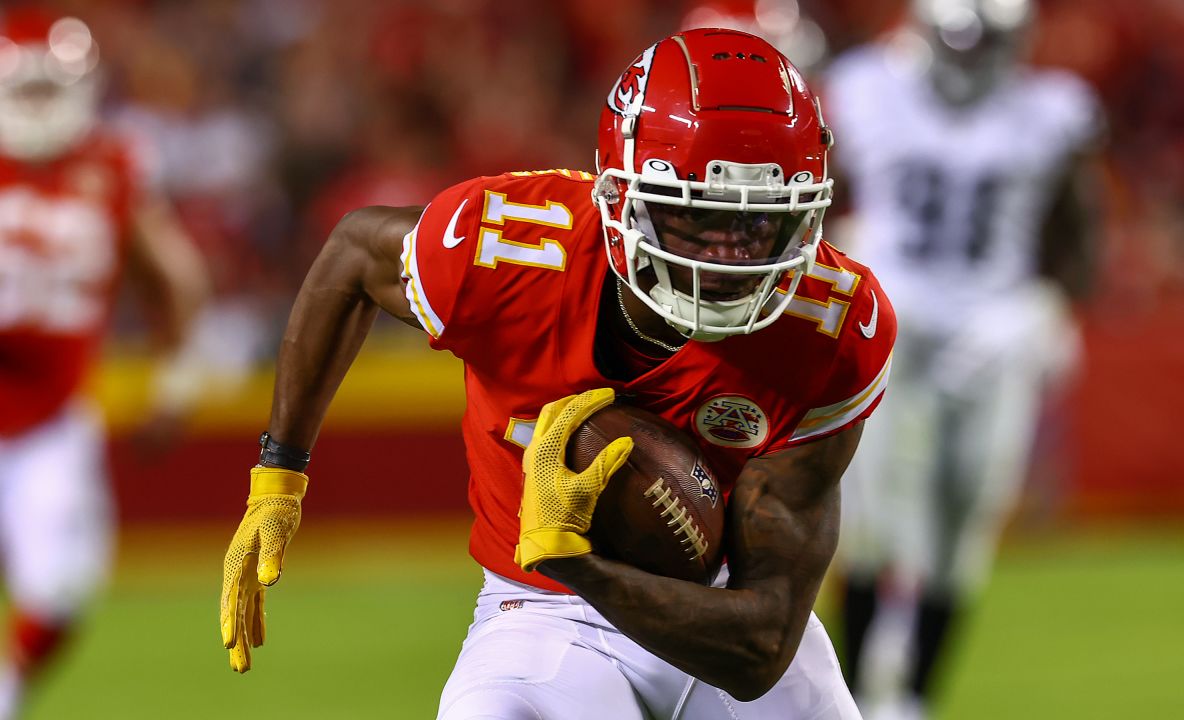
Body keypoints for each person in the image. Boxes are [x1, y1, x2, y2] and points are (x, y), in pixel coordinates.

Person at [219, 27, 896, 719]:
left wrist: (578, 559)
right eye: (694, 217)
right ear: (619, 195)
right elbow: (353, 253)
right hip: (542, 611)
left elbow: (760, 648)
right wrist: (280, 477)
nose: (726, 257)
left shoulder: (833, 328)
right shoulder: (510, 251)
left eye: (758, 226)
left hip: (715, 604)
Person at [821, 1, 1102, 718]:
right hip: (887, 313)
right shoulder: (863, 89)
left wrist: (1048, 302)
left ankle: (913, 696)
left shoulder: (1051, 113)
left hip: (992, 324)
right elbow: (820, 199)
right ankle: (855, 692)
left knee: (967, 512)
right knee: (869, 511)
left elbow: (1078, 232)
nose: (973, 59)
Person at [0, 8, 209, 718]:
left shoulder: (112, 165)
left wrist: (176, 383)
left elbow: (177, 280)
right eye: (22, 93)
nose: (36, 109)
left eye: (43, 92)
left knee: (61, 584)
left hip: (49, 419)